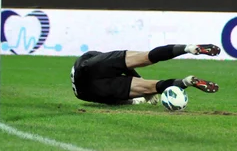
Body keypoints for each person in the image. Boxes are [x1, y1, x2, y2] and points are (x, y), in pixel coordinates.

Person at [70, 44, 221, 106]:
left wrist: (138, 97)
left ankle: (186, 82)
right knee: (146, 57)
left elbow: (113, 100)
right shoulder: (90, 57)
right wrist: (138, 79)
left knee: (152, 87)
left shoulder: (83, 95)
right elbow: (124, 67)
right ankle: (188, 48)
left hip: (89, 86)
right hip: (88, 68)